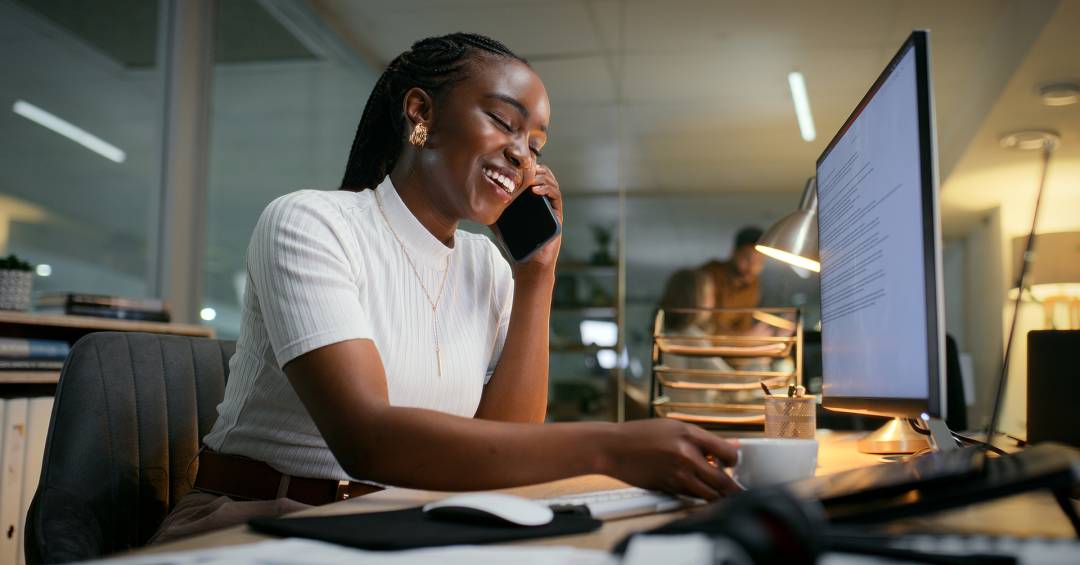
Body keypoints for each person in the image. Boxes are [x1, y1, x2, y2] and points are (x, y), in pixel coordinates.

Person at [152, 33, 737, 544]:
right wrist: (610, 447)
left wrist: (538, 276)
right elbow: (367, 439)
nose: (522, 156)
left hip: (405, 518)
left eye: (536, 145)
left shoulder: (488, 266)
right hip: (257, 521)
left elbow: (505, 448)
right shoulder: (310, 223)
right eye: (504, 122)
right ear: (419, 114)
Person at [699, 226, 768, 336]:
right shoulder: (709, 275)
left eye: (759, 262)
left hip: (727, 347)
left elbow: (744, 325)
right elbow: (701, 324)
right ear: (734, 253)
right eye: (747, 259)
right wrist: (741, 338)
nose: (752, 268)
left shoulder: (753, 285)